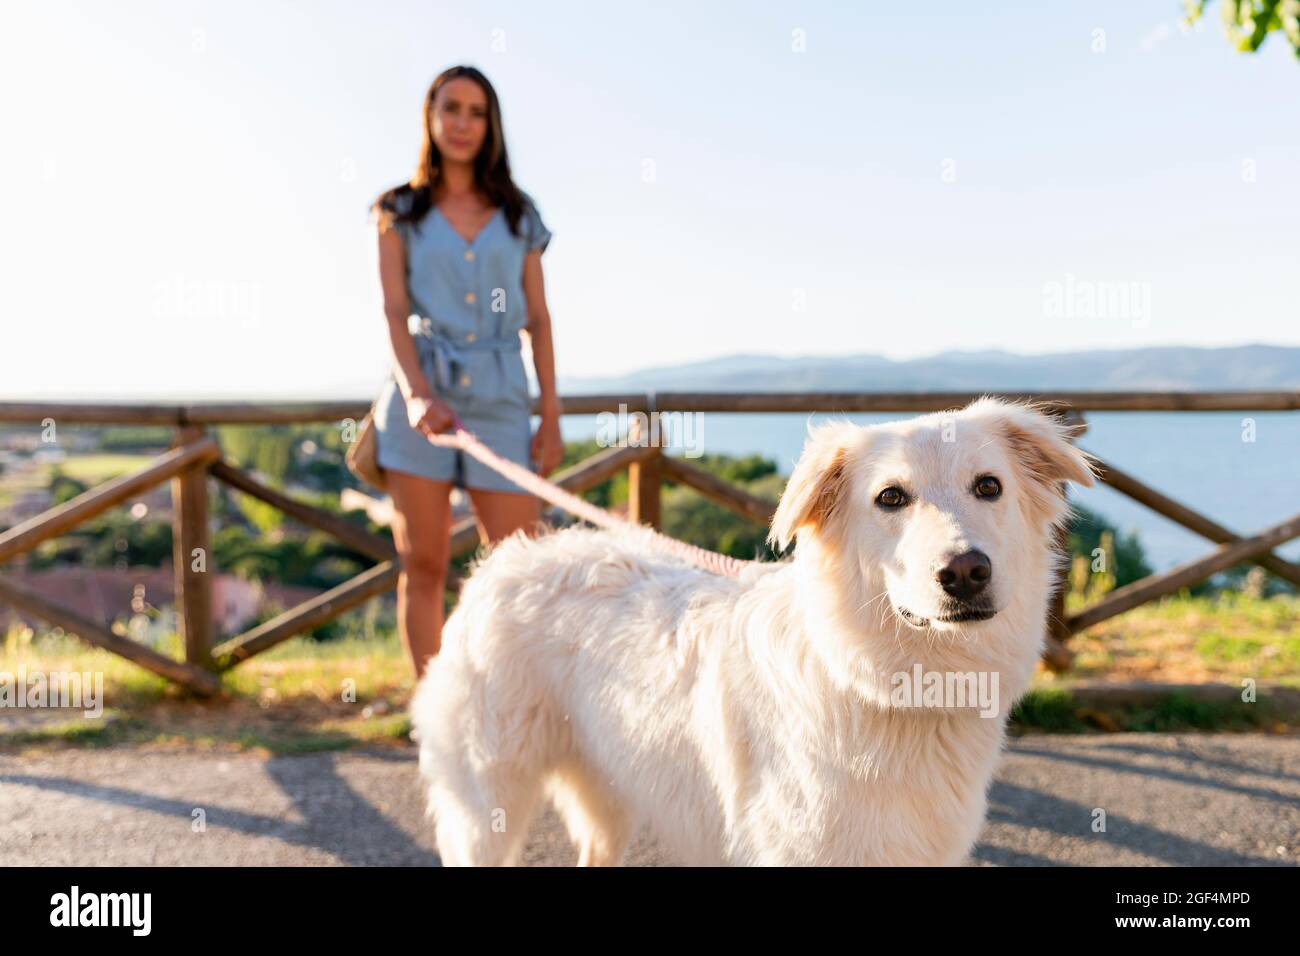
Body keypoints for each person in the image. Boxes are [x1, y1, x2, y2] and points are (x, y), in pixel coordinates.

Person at [369, 65, 564, 680]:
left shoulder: (518, 214)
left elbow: (538, 317)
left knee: (518, 572)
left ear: (491, 125)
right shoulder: (397, 211)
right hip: (419, 403)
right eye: (450, 108)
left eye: (476, 112)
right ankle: (434, 716)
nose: (462, 123)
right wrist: (417, 394)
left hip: (503, 400)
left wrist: (550, 413)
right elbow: (394, 313)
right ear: (430, 116)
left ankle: (508, 710)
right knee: (423, 566)